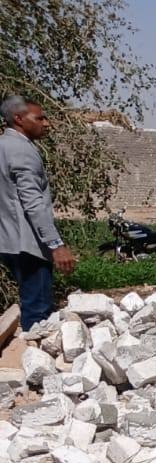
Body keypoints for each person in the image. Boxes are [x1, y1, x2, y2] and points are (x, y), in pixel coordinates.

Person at [0, 96, 76, 331]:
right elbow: (32, 203)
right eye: (39, 118)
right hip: (28, 244)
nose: (46, 123)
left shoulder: (3, 145)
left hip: (7, 241)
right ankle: (34, 352)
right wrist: (56, 245)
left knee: (31, 304)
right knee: (38, 316)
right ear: (18, 119)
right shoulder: (23, 150)